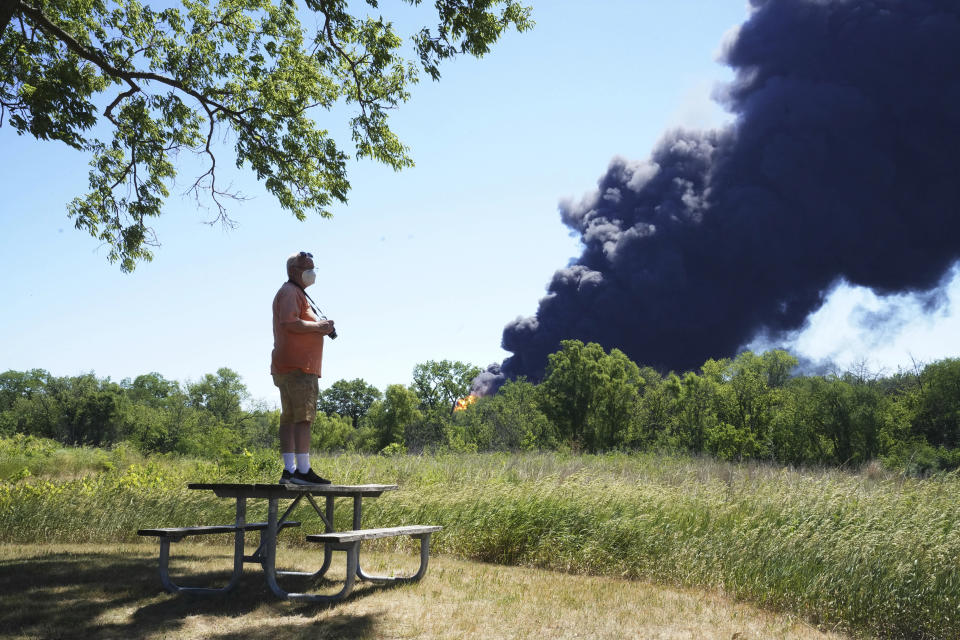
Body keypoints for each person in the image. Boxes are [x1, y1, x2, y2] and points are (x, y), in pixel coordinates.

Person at [271, 251, 336, 485]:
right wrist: (319, 326)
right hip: (299, 367)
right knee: (304, 418)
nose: (312, 273)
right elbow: (289, 322)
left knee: (289, 418)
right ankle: (303, 470)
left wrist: (319, 327)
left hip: (288, 365)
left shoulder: (294, 292)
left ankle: (289, 471)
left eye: (313, 268)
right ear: (294, 271)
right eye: (308, 269)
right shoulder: (290, 292)